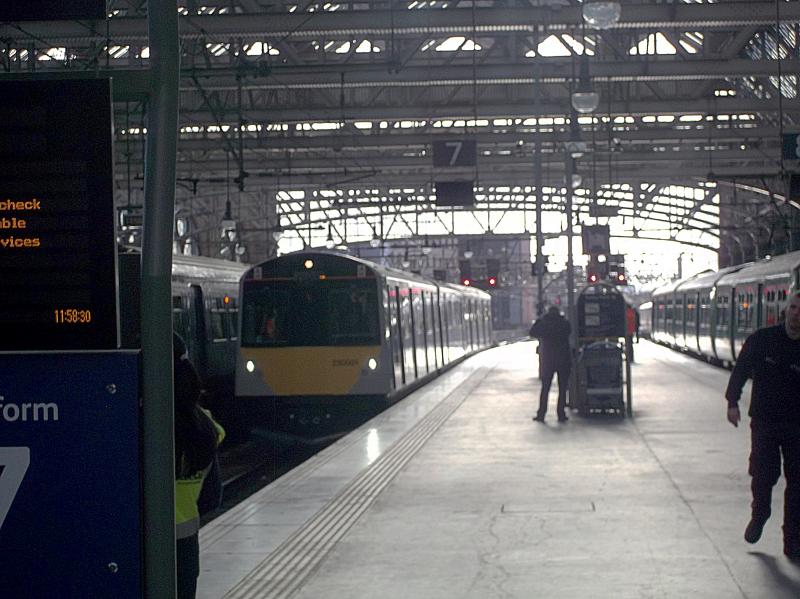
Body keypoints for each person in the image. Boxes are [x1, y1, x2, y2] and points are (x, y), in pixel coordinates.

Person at [725, 290, 800, 560]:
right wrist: (732, 401)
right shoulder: (762, 340)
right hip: (765, 421)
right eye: (793, 308)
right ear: (785, 310)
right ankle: (760, 515)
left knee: (798, 484)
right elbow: (741, 370)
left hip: (797, 425)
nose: (796, 314)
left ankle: (793, 539)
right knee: (764, 474)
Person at [174, 334, 225, 598]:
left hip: (135, 543)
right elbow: (211, 498)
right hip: (185, 546)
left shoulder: (135, 421)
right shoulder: (204, 426)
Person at [529, 305, 572, 423]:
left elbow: (532, 332)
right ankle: (561, 413)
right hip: (563, 359)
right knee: (562, 388)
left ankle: (541, 414)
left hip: (548, 359)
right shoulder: (564, 323)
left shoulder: (544, 323)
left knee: (545, 388)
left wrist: (540, 320)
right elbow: (569, 331)